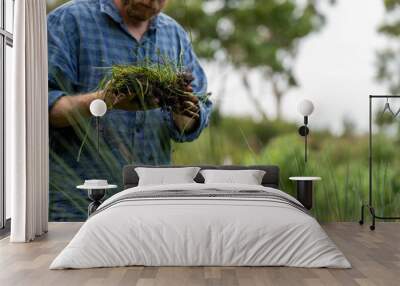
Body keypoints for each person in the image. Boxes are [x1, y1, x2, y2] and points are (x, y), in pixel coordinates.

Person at [47, 0, 212, 221]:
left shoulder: (174, 35)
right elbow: (40, 108)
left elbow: (194, 119)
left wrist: (182, 109)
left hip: (152, 204)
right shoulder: (69, 20)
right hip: (78, 204)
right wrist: (104, 100)